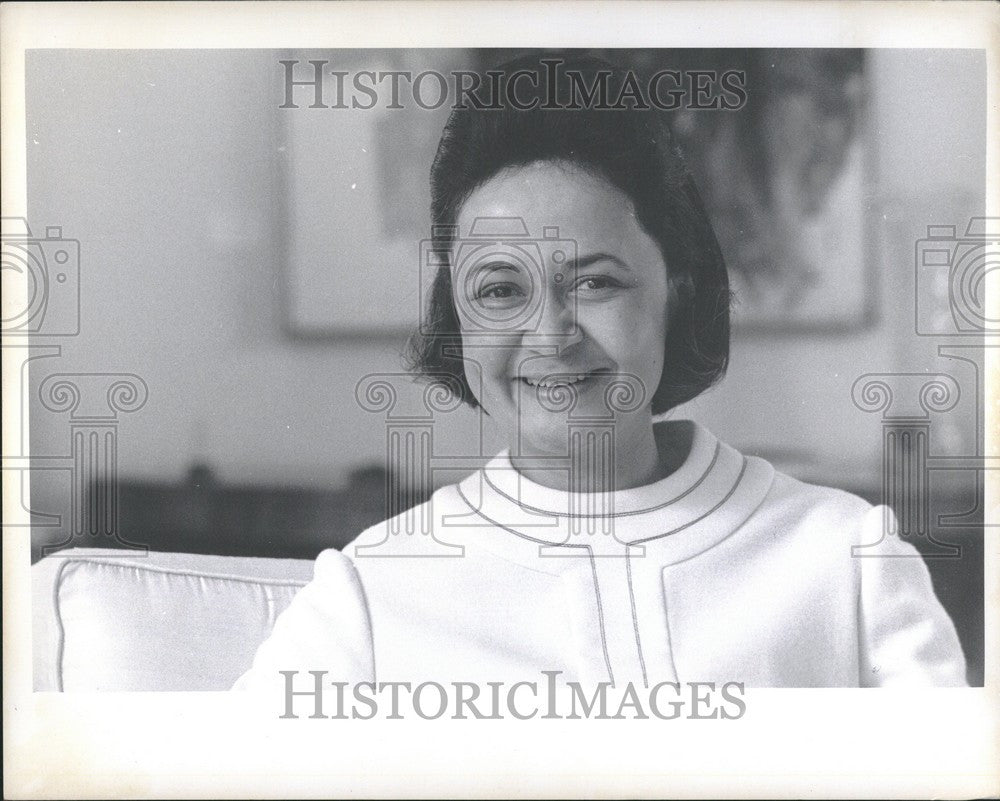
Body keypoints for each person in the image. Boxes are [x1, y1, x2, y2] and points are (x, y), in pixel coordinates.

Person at [234, 53, 966, 693]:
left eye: (595, 282)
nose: (550, 334)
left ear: (676, 285)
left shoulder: (845, 557)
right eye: (499, 290)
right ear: (456, 319)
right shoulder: (372, 591)